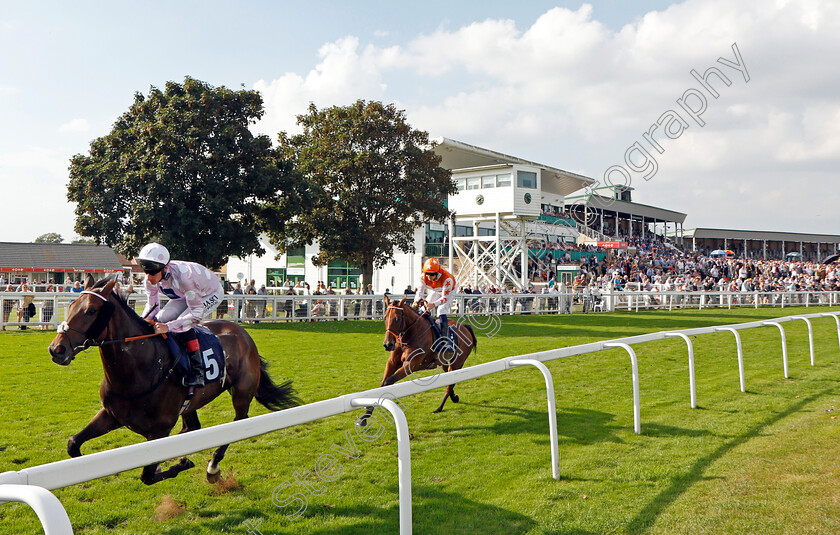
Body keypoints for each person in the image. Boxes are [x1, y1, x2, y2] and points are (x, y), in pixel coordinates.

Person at [137, 242, 224, 388]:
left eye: (152, 272)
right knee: (162, 318)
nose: (148, 277)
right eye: (145, 271)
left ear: (165, 268)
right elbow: (153, 306)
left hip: (209, 293)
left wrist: (168, 327)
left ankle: (198, 372)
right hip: (184, 294)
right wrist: (142, 321)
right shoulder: (151, 279)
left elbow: (196, 314)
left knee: (182, 325)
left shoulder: (184, 277)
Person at [412, 257, 458, 356]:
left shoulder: (447, 279)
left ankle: (444, 340)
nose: (429, 276)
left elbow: (445, 297)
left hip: (448, 291)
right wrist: (416, 301)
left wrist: (434, 304)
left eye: (432, 274)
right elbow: (420, 292)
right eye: (427, 273)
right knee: (423, 309)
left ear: (437, 273)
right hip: (436, 289)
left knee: (441, 310)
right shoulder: (422, 277)